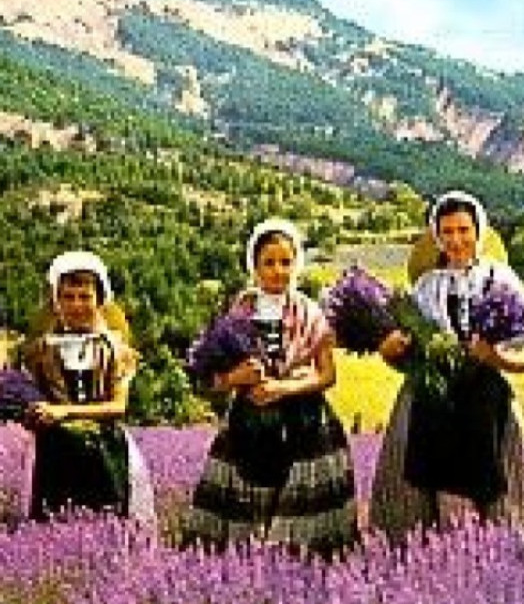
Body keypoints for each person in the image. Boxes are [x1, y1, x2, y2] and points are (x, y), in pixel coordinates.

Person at [370, 191, 524, 567]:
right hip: (428, 403)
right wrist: (391, 350)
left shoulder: (501, 281)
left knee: (498, 493)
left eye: (463, 230)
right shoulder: (425, 288)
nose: (456, 240)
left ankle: (501, 573)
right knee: (420, 495)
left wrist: (495, 356)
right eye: (447, 231)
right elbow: (404, 361)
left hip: (485, 404)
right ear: (436, 236)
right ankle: (424, 572)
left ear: (479, 232)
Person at [182, 219, 359, 557]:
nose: (279, 271)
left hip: (306, 426)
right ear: (255, 266)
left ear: (297, 264)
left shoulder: (310, 312)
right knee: (245, 524)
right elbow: (212, 379)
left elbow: (327, 375)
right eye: (269, 262)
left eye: (286, 262)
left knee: (302, 534)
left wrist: (283, 388)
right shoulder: (238, 313)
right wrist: (238, 378)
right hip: (247, 426)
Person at [22, 250, 155, 526]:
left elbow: (118, 407)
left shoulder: (113, 350)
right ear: (56, 301)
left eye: (85, 297)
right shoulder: (44, 351)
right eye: (68, 297)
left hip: (104, 453)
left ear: (100, 300)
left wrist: (64, 412)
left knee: (108, 524)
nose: (76, 305)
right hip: (56, 455)